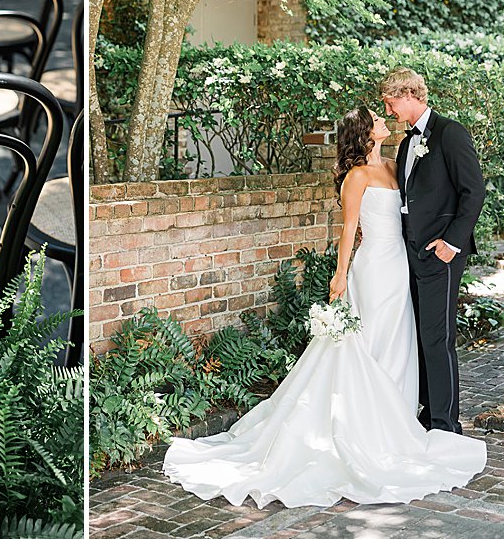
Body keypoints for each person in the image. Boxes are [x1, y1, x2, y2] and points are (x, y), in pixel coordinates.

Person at [161, 106, 486, 508]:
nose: (385, 119)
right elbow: (349, 229)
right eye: (377, 118)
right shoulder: (357, 176)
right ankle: (367, 426)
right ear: (365, 132)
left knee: (399, 339)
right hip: (373, 269)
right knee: (370, 340)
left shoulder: (394, 162)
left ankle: (397, 419)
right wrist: (340, 275)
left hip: (401, 265)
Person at [382, 66, 486, 434]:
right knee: (418, 333)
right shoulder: (406, 143)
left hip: (440, 251)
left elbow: (474, 191)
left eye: (390, 101)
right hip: (408, 249)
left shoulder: (450, 133)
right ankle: (427, 412)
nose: (389, 109)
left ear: (409, 94)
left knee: (437, 336)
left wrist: (452, 243)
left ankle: (445, 423)